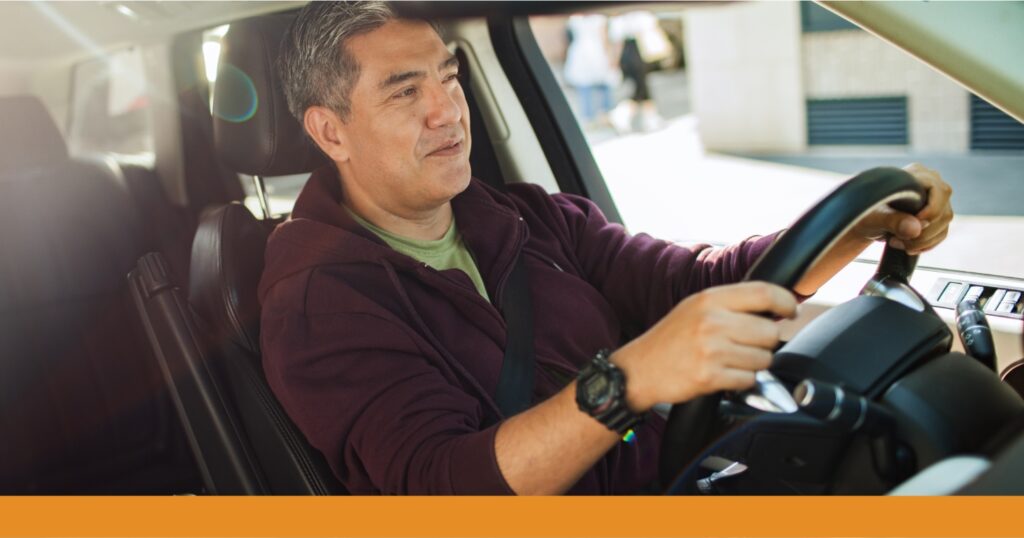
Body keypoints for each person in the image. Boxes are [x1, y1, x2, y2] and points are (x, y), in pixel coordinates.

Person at [260, 1, 954, 495]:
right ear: (331, 133)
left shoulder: (525, 216)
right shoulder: (319, 303)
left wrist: (854, 226)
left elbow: (693, 283)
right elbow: (443, 489)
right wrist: (629, 380)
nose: (448, 110)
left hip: (684, 469)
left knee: (934, 435)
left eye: (447, 76)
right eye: (405, 92)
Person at [563, 14, 616, 126]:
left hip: (581, 51)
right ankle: (604, 113)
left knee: (586, 85)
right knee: (603, 84)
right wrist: (609, 54)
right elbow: (603, 37)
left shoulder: (575, 17)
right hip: (594, 51)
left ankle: (589, 116)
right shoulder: (597, 16)